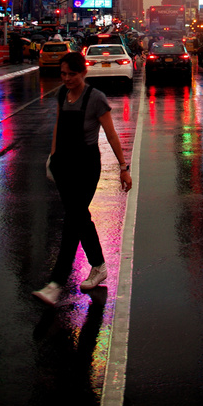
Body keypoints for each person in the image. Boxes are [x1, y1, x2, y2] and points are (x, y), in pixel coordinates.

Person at [33, 50, 132, 306]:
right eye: (63, 74)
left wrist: (123, 167)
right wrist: (52, 158)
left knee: (72, 218)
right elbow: (58, 126)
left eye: (72, 74)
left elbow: (110, 134)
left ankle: (56, 283)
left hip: (87, 165)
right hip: (64, 163)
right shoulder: (61, 95)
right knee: (79, 217)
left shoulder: (95, 98)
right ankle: (98, 265)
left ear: (83, 73)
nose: (66, 79)